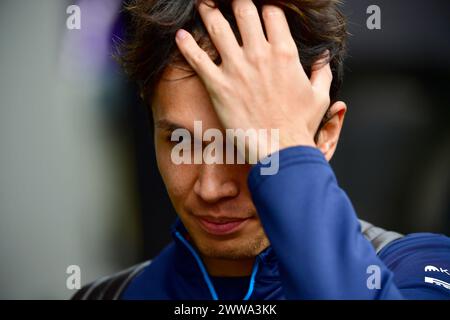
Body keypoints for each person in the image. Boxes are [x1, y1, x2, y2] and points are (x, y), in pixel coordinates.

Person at [73, 0, 450, 300]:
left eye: (244, 145)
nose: (209, 187)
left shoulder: (416, 269)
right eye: (180, 142)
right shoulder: (107, 296)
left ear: (325, 135)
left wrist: (285, 147)